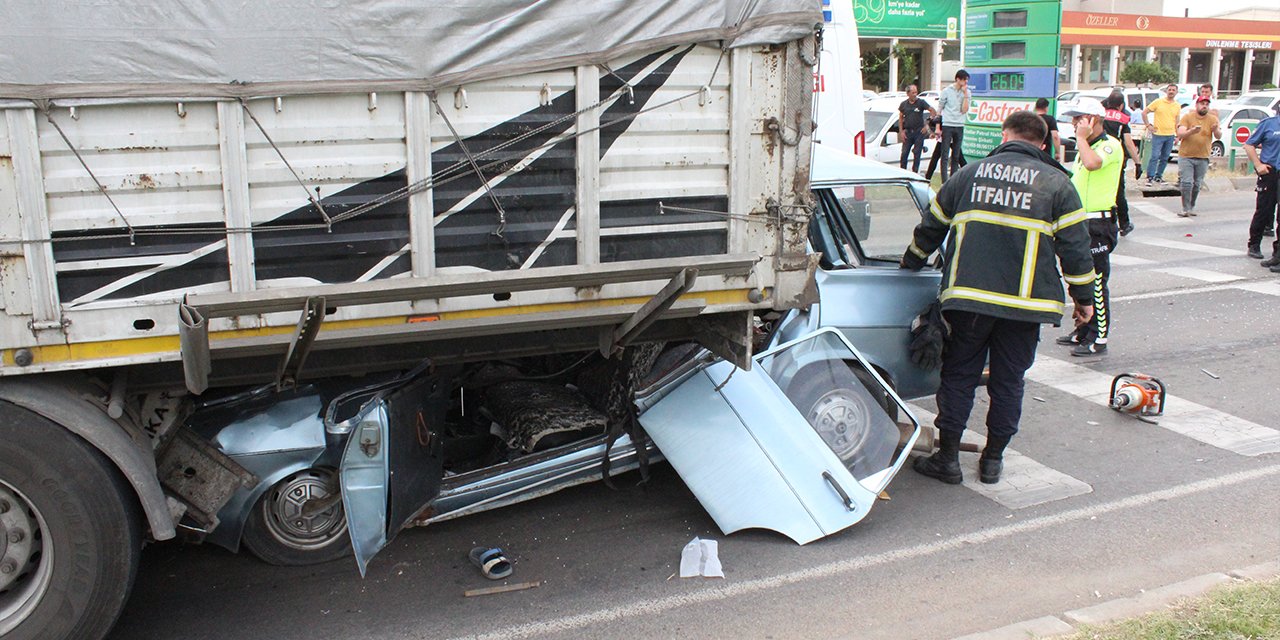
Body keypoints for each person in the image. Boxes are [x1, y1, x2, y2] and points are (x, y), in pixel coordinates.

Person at [902, 110, 1095, 485]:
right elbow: (1075, 249)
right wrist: (1084, 300)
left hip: (969, 302)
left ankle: (948, 459)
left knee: (959, 376)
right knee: (1009, 382)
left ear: (1004, 136)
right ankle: (992, 462)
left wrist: (912, 261)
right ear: (1042, 143)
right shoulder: (1057, 184)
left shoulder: (967, 175)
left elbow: (931, 227)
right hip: (1025, 308)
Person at [1055, 98, 1122, 357]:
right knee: (1078, 280)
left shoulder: (1109, 146)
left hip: (1098, 223)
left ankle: (1099, 336)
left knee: (1096, 282)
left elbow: (1094, 164)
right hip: (1080, 221)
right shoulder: (1087, 148)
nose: (1074, 124)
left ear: (1094, 119)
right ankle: (1082, 329)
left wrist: (1081, 139)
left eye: (1079, 118)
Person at [1244, 102, 1280, 268]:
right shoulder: (1268, 124)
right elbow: (1249, 144)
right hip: (1270, 172)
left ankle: (1278, 254)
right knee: (1264, 210)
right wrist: (1258, 165)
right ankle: (1254, 244)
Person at [1102, 91, 1142, 236]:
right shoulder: (1123, 119)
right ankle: (1124, 224)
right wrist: (1137, 163)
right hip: (1116, 160)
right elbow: (1129, 143)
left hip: (1099, 156)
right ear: (1121, 105)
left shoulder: (1100, 115)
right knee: (1118, 192)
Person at [1175, 96, 1220, 218]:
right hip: (1186, 156)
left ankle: (1191, 206)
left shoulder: (1212, 119)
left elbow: (1219, 136)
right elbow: (1180, 133)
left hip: (1203, 157)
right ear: (1196, 105)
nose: (1204, 106)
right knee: (1187, 182)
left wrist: (1216, 130)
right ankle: (1185, 208)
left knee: (1197, 184)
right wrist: (1192, 131)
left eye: (1206, 104)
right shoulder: (1188, 117)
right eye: (1202, 103)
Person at [1143, 84, 1181, 186]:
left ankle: (1158, 176)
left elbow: (1177, 121)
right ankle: (1150, 177)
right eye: (1169, 90)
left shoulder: (1177, 105)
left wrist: (1178, 135)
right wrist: (1148, 125)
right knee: (1154, 156)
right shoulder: (1158, 102)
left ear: (1176, 92)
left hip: (1170, 135)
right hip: (1158, 134)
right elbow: (1144, 112)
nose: (1171, 92)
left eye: (1173, 90)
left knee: (1165, 157)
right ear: (1166, 91)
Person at [936, 70, 971, 182]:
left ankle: (953, 180)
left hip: (959, 124)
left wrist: (965, 95)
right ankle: (944, 181)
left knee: (956, 155)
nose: (966, 82)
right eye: (964, 79)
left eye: (966, 80)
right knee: (945, 154)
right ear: (958, 79)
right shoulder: (946, 91)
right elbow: (939, 109)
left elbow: (964, 110)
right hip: (947, 124)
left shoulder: (967, 92)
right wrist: (938, 126)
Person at [897, 85, 937, 173]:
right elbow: (900, 118)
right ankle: (903, 173)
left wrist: (927, 125)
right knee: (904, 154)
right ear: (908, 94)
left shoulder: (921, 102)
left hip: (919, 132)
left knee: (917, 153)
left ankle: (914, 173)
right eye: (913, 93)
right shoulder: (903, 104)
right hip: (908, 132)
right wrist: (901, 131)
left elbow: (933, 111)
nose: (915, 94)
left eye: (916, 92)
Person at [1035, 98, 1064, 164]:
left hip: (1032, 152)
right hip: (1045, 153)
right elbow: (1055, 136)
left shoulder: (1030, 118)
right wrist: (1057, 152)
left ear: (1036, 107)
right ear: (1046, 108)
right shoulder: (1050, 119)